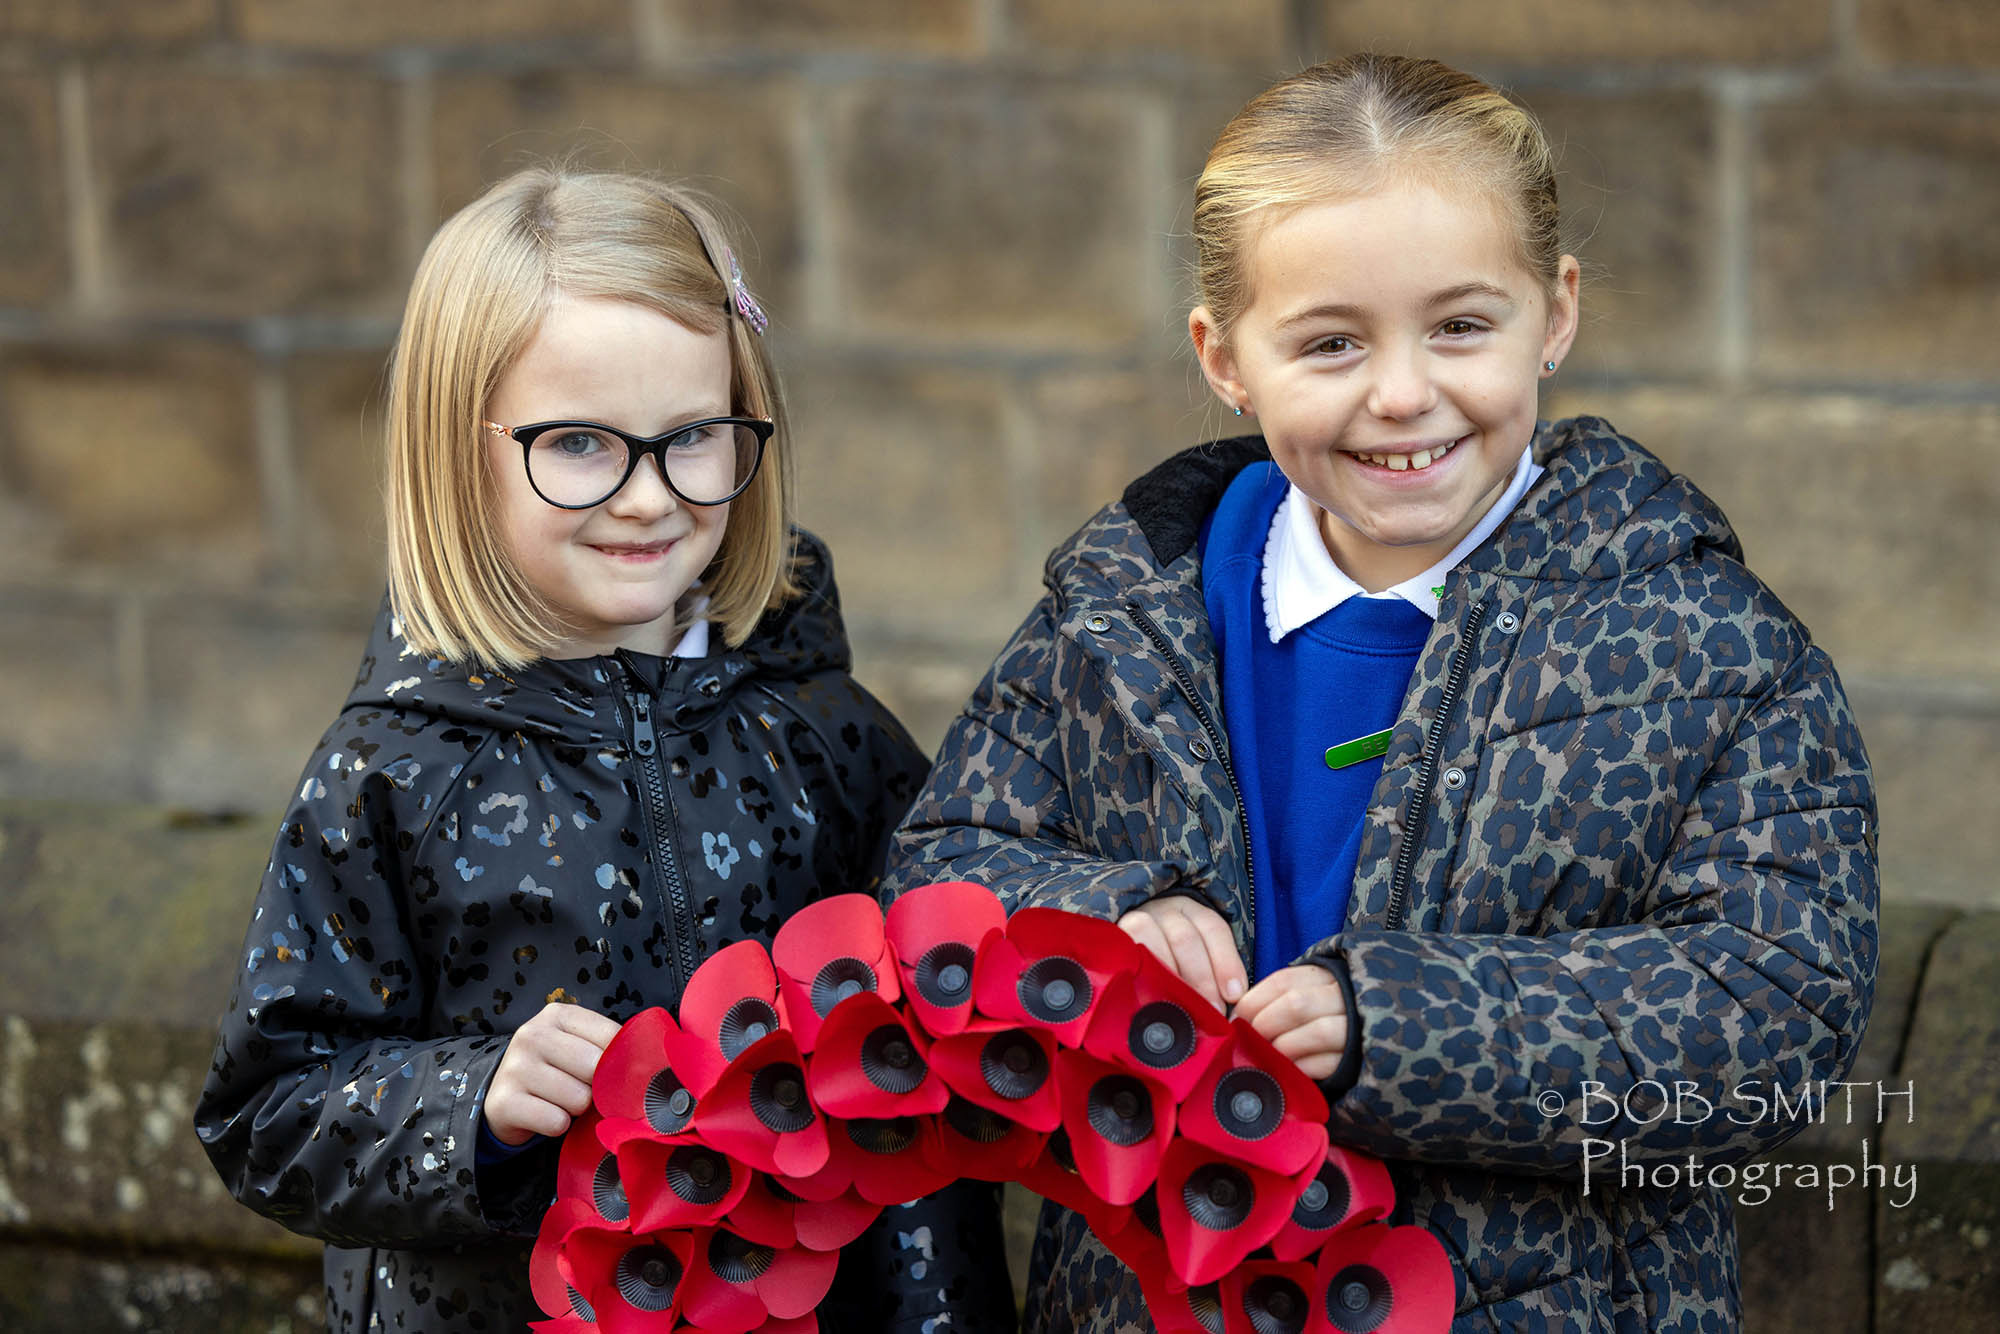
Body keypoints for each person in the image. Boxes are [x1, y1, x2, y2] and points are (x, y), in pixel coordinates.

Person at [884, 54, 1877, 1332]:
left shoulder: (1706, 647)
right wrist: (1103, 918)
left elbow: (1771, 1008)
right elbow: (934, 873)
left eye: (1460, 324)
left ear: (1555, 312)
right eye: (1330, 341)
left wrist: (1396, 1028)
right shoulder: (1118, 612)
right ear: (1223, 356)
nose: (1401, 392)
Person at [195, 168, 1015, 1334]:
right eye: (578, 442)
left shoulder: (831, 738)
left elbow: (918, 1110)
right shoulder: (388, 771)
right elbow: (267, 1112)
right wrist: (469, 1098)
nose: (647, 498)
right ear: (456, 449)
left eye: (692, 436)